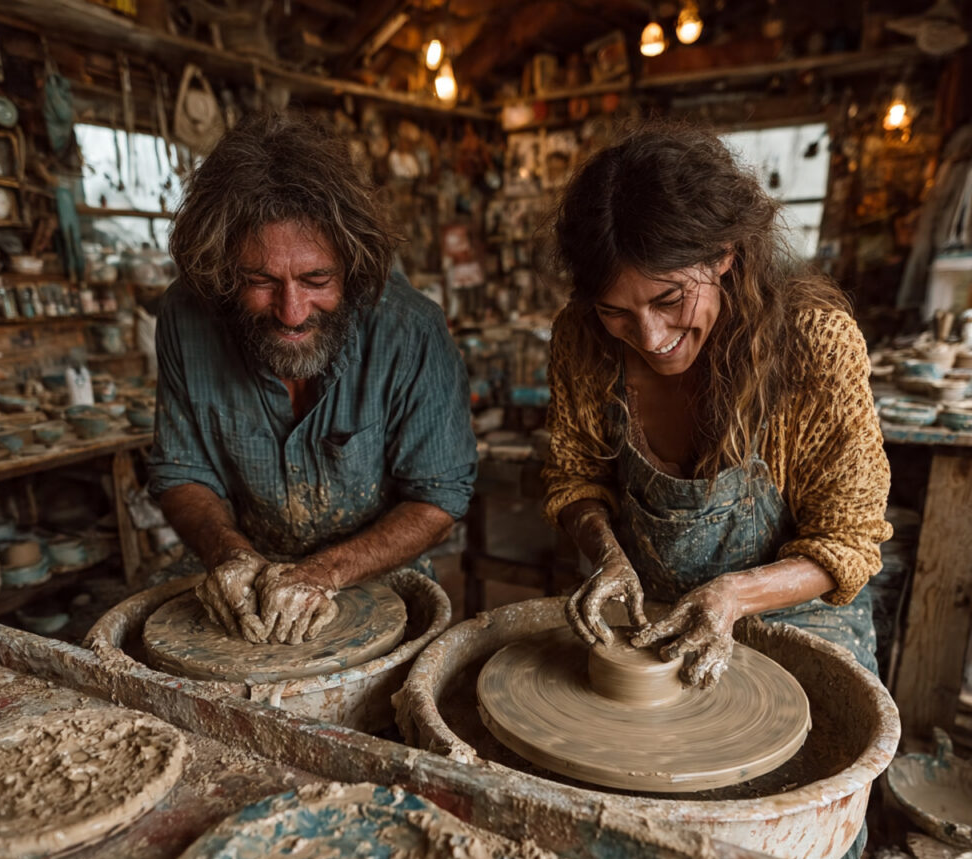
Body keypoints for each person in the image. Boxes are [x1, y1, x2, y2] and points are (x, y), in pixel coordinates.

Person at [544, 120, 891, 689]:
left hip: (796, 617)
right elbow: (575, 477)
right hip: (651, 614)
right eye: (616, 311)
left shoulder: (814, 345)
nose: (651, 337)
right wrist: (606, 553)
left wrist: (733, 594)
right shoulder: (581, 340)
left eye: (669, 299)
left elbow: (848, 540)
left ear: (723, 254)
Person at [147, 112, 477, 646]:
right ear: (223, 271)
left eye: (316, 279)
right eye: (260, 281)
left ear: (352, 267)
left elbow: (438, 499)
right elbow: (181, 472)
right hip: (242, 577)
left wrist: (322, 573)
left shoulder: (410, 328)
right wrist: (229, 555)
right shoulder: (187, 317)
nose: (292, 312)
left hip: (371, 576)